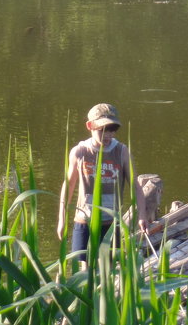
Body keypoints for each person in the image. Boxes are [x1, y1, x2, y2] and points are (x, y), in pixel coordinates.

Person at [57, 103, 147, 265]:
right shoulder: (80, 152)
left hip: (111, 222)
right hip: (84, 220)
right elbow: (69, 185)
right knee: (84, 267)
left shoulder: (121, 151)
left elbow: (135, 185)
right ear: (90, 126)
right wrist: (61, 218)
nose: (108, 135)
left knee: (109, 267)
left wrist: (142, 215)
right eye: (103, 130)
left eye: (112, 129)